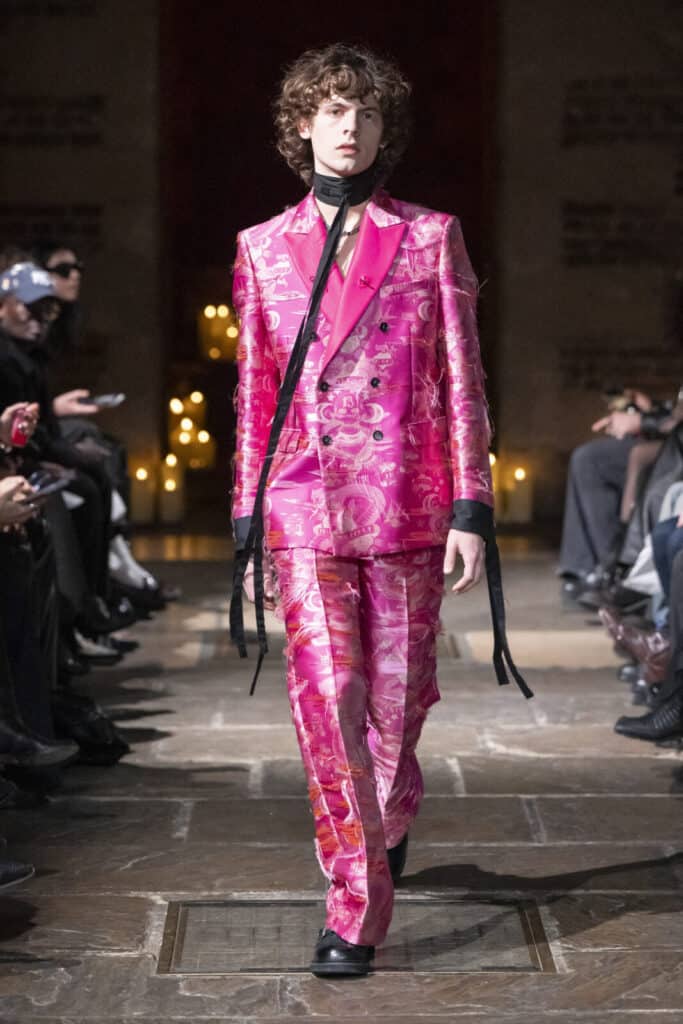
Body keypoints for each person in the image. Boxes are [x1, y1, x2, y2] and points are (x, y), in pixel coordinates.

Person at [230, 43, 528, 978]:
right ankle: (354, 902)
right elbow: (253, 389)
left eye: (361, 113)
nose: (346, 128)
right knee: (329, 700)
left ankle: (387, 813)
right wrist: (247, 513)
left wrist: (472, 506)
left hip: (408, 505)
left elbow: (465, 379)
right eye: (328, 111)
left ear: (382, 127)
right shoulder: (259, 248)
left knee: (395, 714)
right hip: (304, 503)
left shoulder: (431, 238)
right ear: (301, 126)